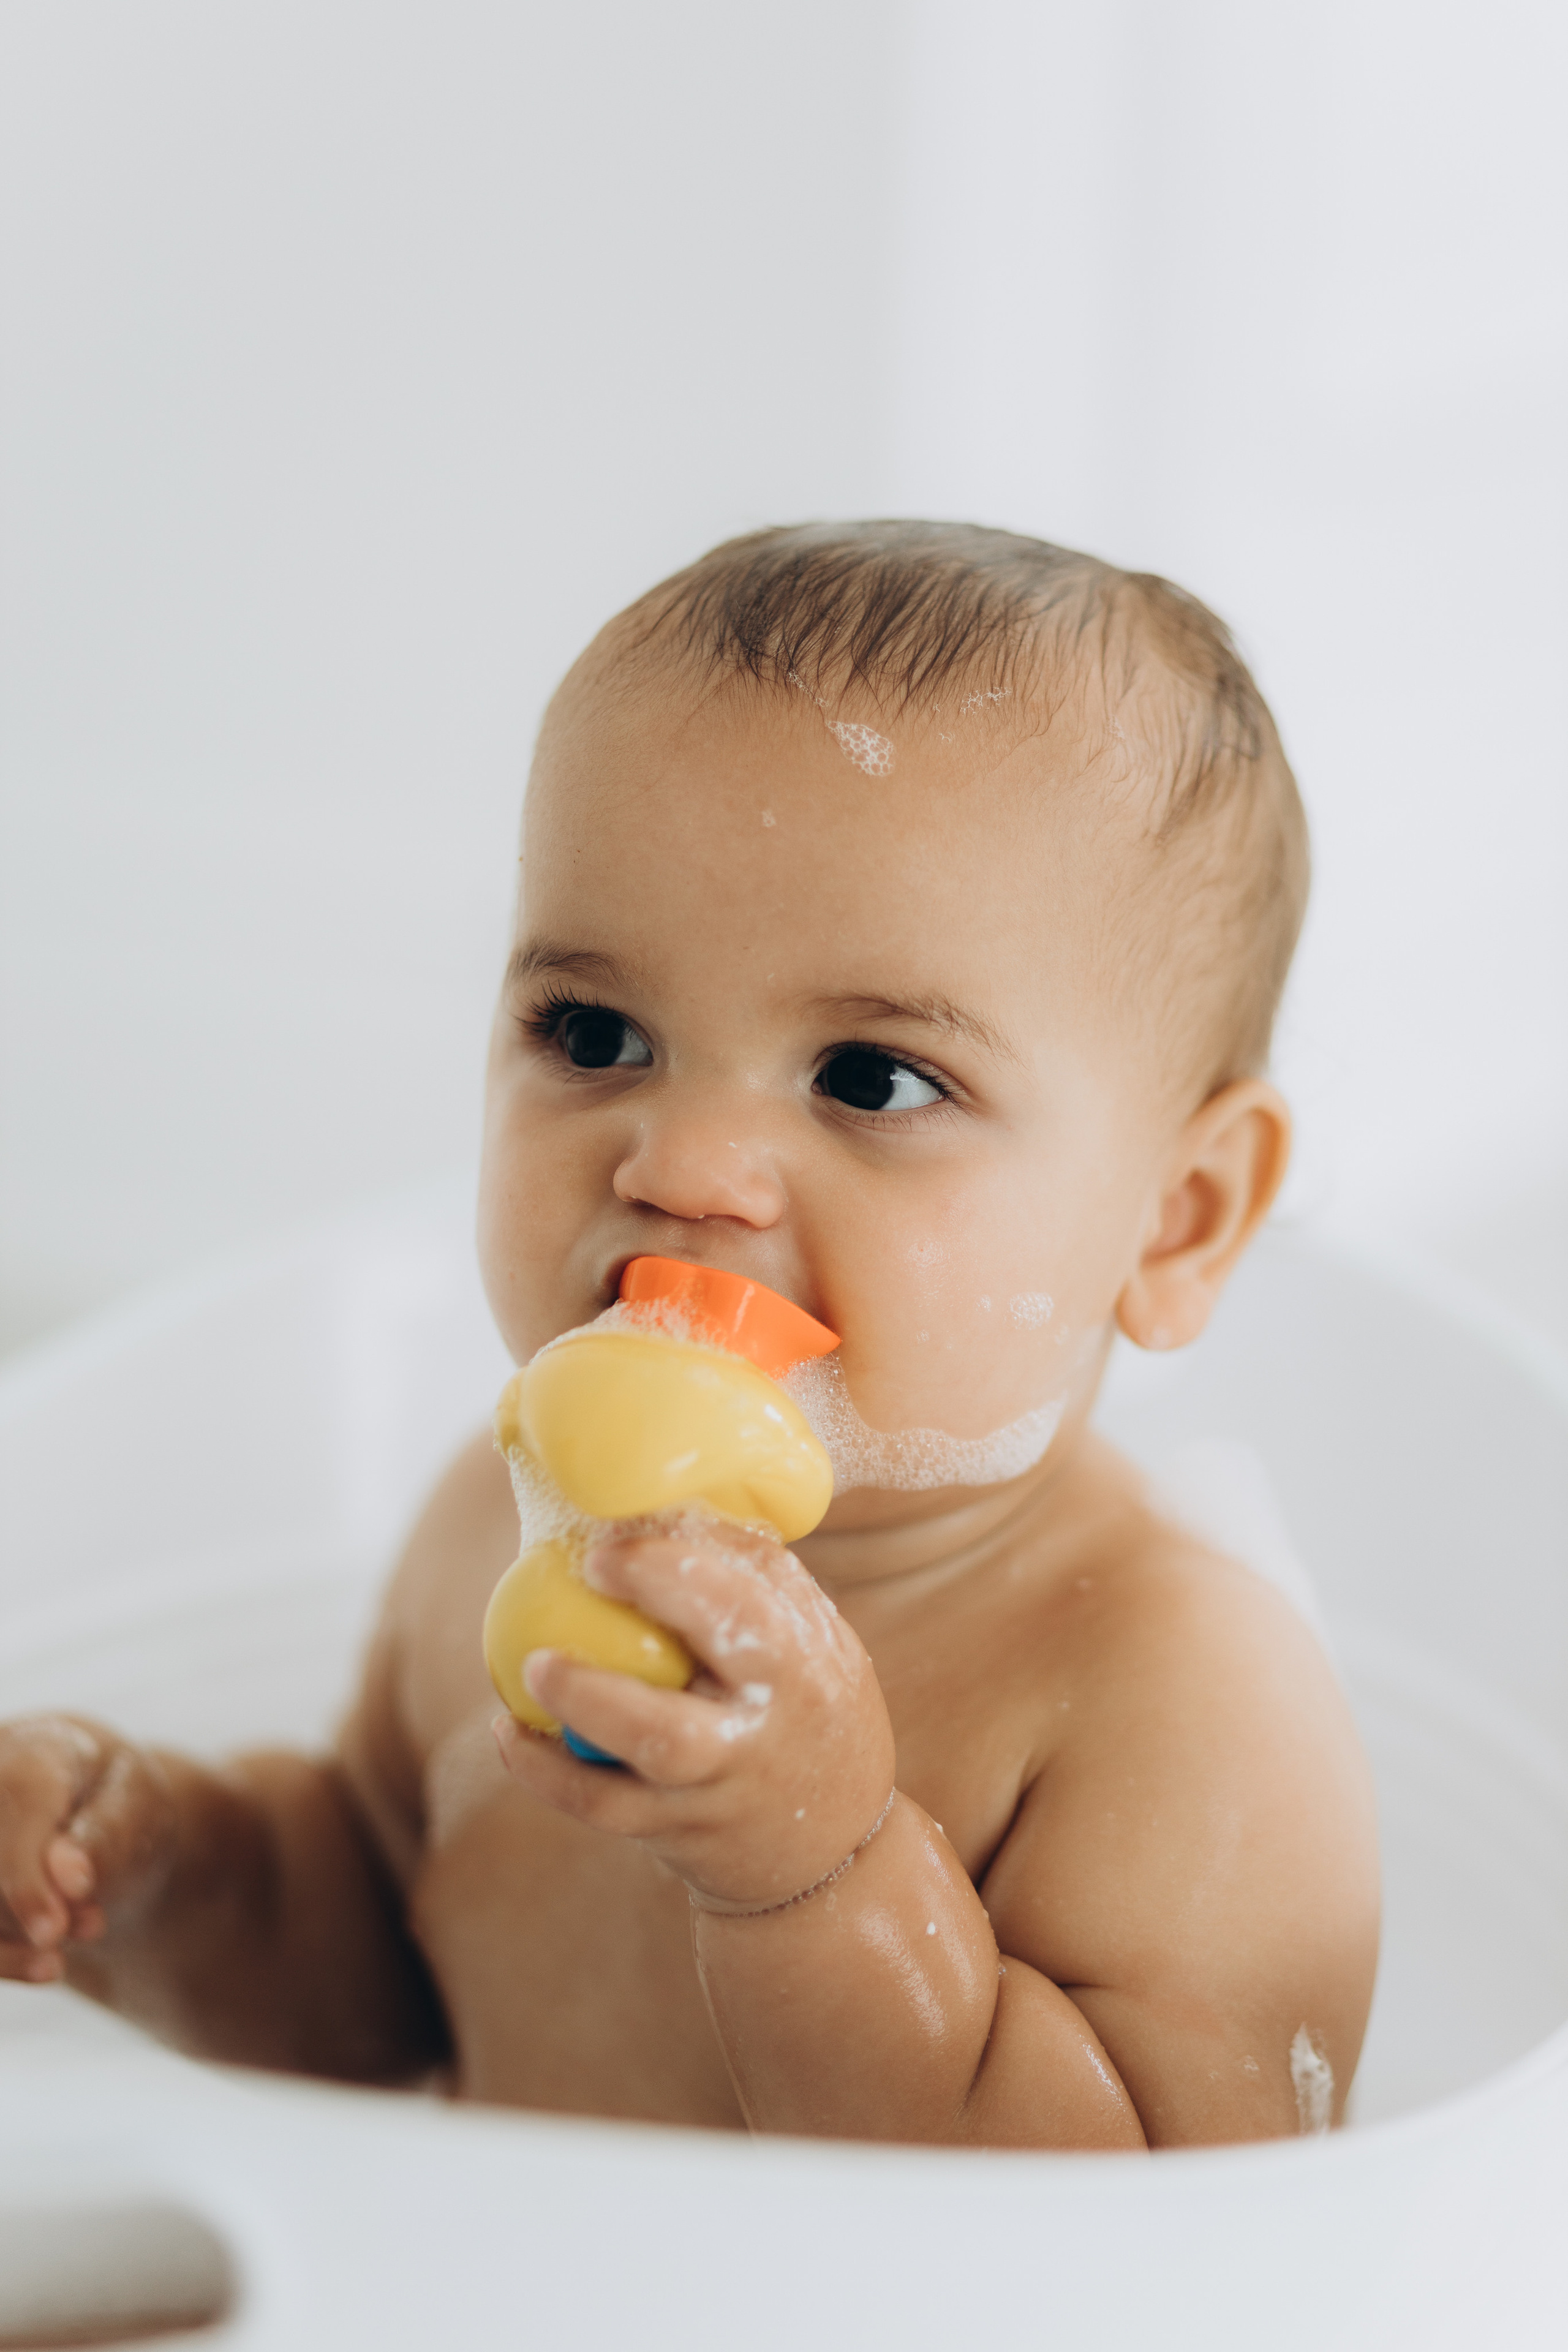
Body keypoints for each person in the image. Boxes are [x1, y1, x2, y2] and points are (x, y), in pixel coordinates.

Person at [0, 522, 1379, 2147]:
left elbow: (1161, 2253)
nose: (686, 1167)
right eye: (597, 1035)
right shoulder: (497, 1528)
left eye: (874, 1078)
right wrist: (154, 1872)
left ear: (1178, 1218)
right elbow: (378, 1989)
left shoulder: (1172, 1694)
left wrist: (825, 1873)